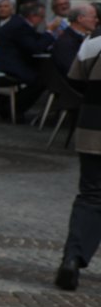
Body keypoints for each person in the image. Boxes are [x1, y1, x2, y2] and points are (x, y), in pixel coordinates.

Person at [55, 30, 101, 291]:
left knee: (91, 195)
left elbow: (75, 78)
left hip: (94, 126)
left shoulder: (95, 40)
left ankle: (71, 259)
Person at [0, 0, 56, 117]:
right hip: (8, 66)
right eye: (42, 17)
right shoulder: (21, 26)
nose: (42, 20)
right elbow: (35, 48)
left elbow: (33, 39)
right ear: (33, 16)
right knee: (41, 80)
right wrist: (50, 32)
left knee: (39, 76)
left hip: (7, 62)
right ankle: (14, 109)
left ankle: (7, 102)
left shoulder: (18, 23)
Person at [53, 3, 97, 76]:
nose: (96, 20)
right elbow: (71, 71)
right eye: (94, 17)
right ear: (80, 18)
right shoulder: (66, 42)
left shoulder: (83, 37)